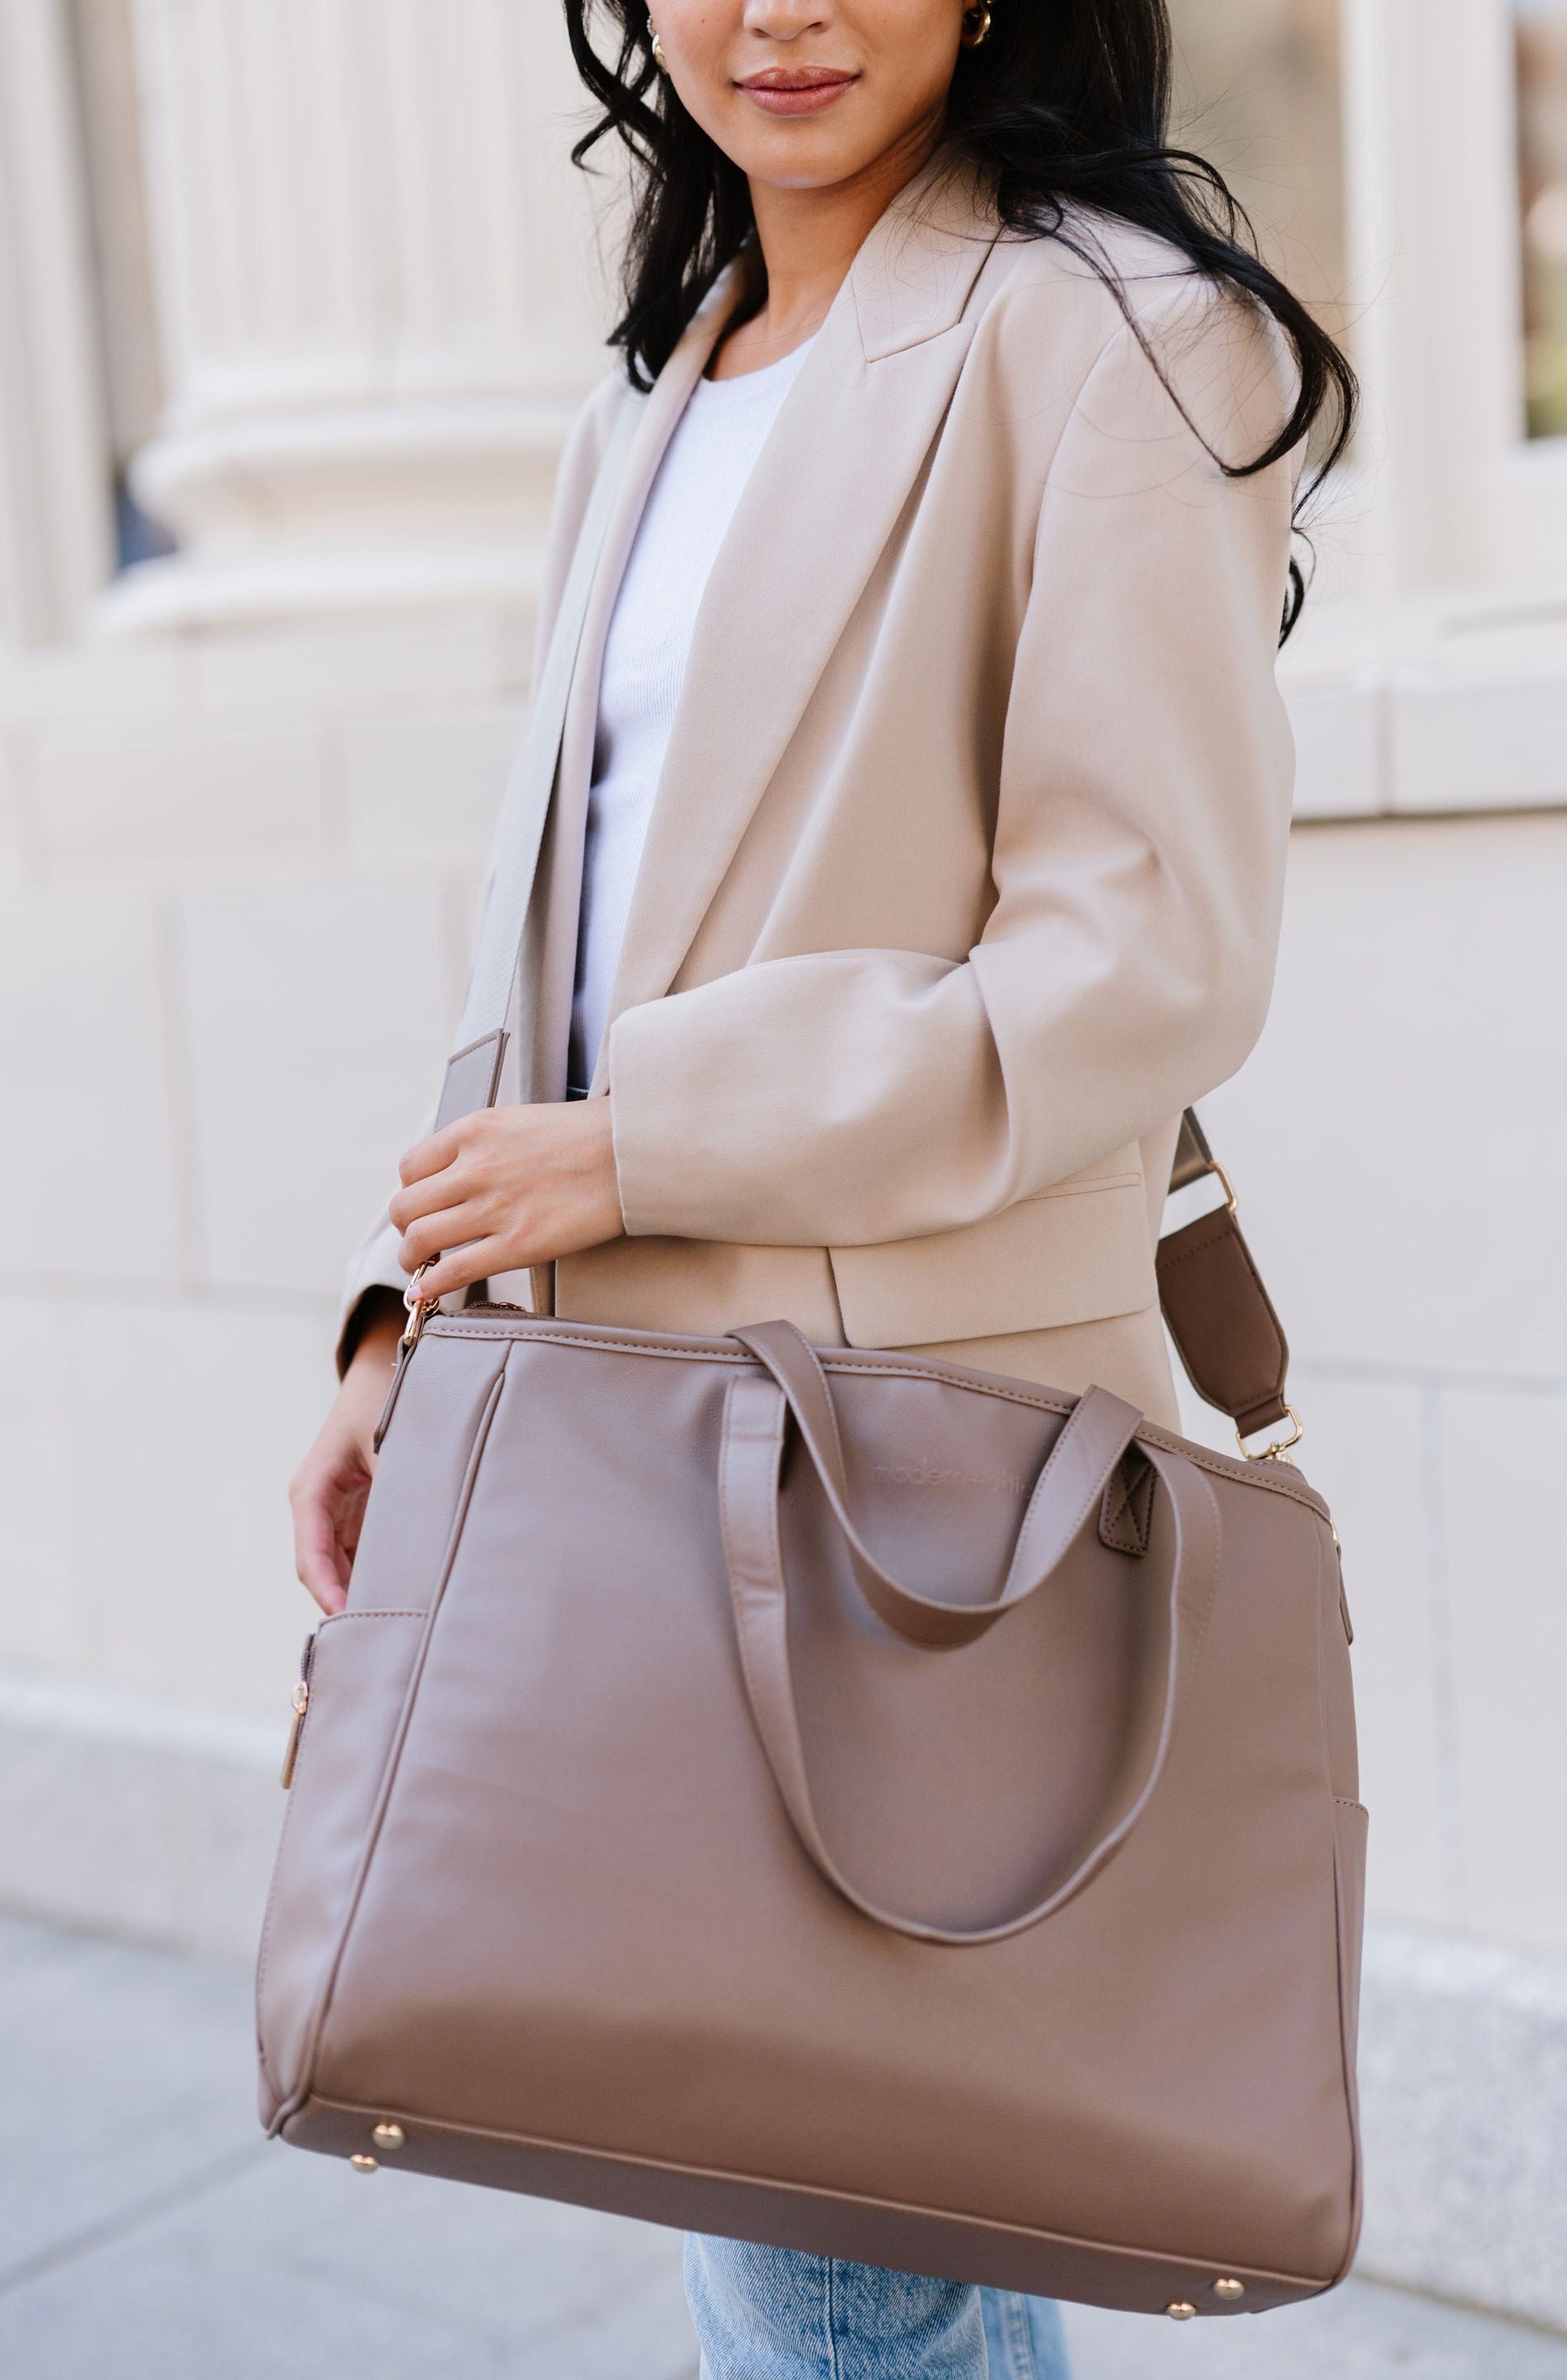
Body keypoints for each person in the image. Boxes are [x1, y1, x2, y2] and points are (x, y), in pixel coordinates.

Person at [289, 2, 1355, 2373]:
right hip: (621, 1460)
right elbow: (558, 931)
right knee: (789, 2224)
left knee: (837, 2262)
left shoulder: (1108, 338)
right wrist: (404, 1317)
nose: (779, 9)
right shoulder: (651, 396)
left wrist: (646, 1143)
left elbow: (1139, 960)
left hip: (902, 1500)